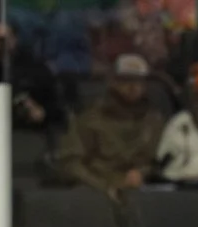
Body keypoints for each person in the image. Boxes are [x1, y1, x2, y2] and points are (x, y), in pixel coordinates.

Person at [60, 52, 162, 198]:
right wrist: (104, 186)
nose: (132, 86)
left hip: (142, 192)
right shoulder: (90, 119)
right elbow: (70, 164)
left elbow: (162, 162)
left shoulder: (153, 121)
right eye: (125, 80)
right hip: (97, 192)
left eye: (138, 81)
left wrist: (142, 173)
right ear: (113, 81)